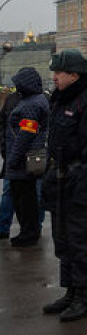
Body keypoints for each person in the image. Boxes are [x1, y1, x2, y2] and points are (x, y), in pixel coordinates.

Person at [41, 49, 87, 322]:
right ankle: (71, 292)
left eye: (58, 72)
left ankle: (85, 299)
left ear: (74, 74)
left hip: (82, 186)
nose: (54, 77)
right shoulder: (62, 100)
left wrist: (84, 191)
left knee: (82, 242)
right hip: (61, 183)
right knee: (64, 241)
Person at [5, 68, 49, 247]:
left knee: (24, 200)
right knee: (26, 198)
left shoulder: (31, 104)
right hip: (26, 158)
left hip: (23, 160)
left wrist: (13, 159)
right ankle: (29, 231)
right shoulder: (35, 100)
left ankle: (28, 233)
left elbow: (25, 134)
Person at [0, 90, 22, 239]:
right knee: (8, 192)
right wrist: (4, 146)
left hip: (33, 157)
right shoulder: (11, 100)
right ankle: (3, 227)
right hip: (11, 155)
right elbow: (2, 124)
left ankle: (33, 228)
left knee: (36, 194)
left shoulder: (40, 100)